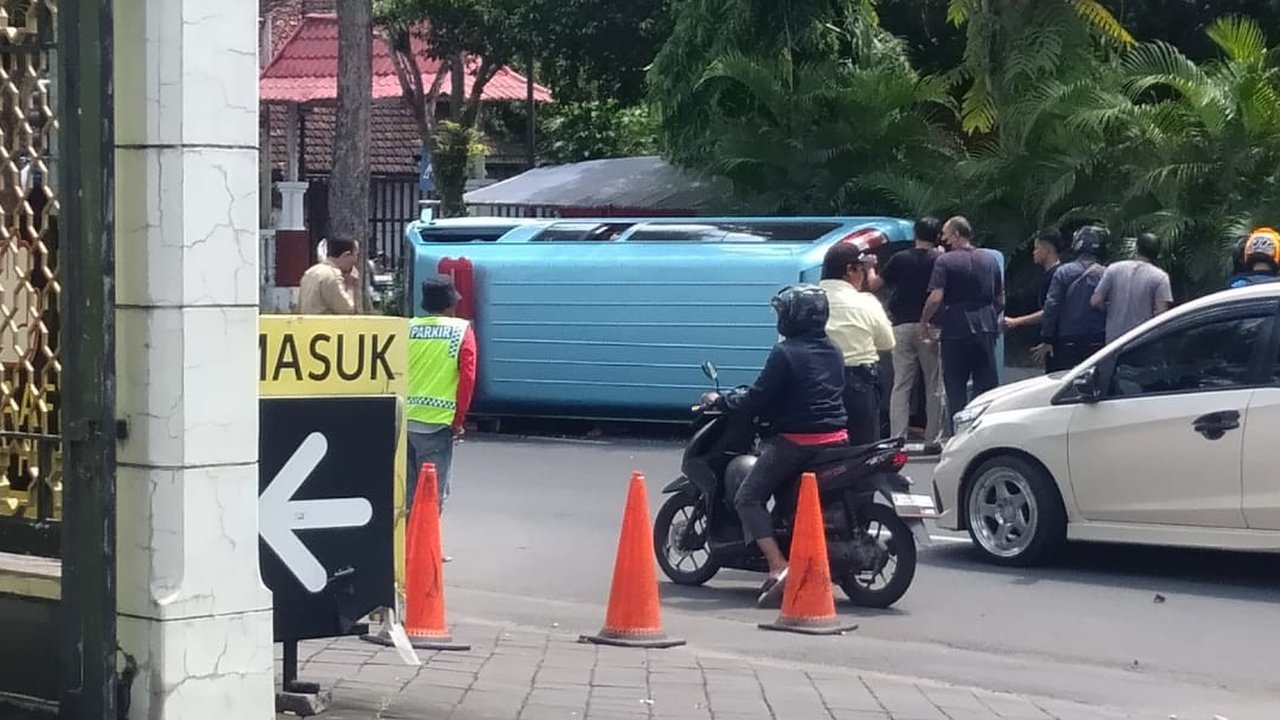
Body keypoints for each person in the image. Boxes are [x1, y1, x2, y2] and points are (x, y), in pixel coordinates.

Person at [708, 284, 847, 608]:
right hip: (837, 438)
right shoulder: (834, 349)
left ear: (794, 316)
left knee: (748, 497)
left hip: (798, 442)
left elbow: (758, 397)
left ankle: (777, 565)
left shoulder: (784, 353)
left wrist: (723, 400)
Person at [406, 274, 477, 536]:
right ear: (450, 303)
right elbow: (467, 378)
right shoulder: (461, 331)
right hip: (436, 422)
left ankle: (406, 546)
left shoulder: (407, 328)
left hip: (404, 421)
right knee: (432, 493)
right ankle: (424, 549)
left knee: (408, 491)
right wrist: (459, 420)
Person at [920, 217, 1004, 436]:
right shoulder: (990, 260)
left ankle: (959, 435)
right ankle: (986, 433)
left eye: (946, 234)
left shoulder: (945, 261)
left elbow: (936, 297)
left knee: (956, 387)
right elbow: (1000, 299)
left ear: (956, 235)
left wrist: (925, 321)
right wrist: (989, 315)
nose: (943, 239)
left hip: (955, 329)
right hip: (986, 327)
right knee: (986, 386)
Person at [870, 217, 945, 450]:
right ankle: (933, 439)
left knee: (901, 384)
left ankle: (898, 438)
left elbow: (874, 285)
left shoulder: (899, 259)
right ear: (937, 236)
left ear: (915, 234)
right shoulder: (940, 260)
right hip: (931, 326)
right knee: (934, 384)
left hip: (901, 326)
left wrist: (870, 267)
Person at [820, 243, 895, 444]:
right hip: (859, 384)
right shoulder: (866, 302)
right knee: (864, 448)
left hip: (815, 383)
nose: (862, 275)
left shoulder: (808, 300)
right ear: (849, 270)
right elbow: (887, 342)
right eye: (861, 269)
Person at [1037, 225, 1108, 371]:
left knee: (1065, 379)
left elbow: (1052, 306)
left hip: (1068, 339)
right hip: (1098, 339)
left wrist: (1047, 338)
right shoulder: (1107, 273)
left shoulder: (1063, 272)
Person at [1091, 232, 1173, 342]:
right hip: (1141, 340)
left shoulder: (1114, 268)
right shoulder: (1160, 277)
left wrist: (1111, 311)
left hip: (1114, 341)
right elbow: (1162, 314)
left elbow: (1095, 301)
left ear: (1136, 248)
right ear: (1157, 254)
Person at [1004, 228, 1064, 335]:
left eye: (1037, 248)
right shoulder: (1043, 275)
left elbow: (1050, 310)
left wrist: (1016, 321)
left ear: (1048, 250)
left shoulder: (1058, 276)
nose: (1034, 252)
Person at [298, 238, 361, 314]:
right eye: (356, 255)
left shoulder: (310, 272)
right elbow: (347, 309)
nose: (356, 260)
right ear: (346, 255)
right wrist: (350, 286)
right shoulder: (333, 275)